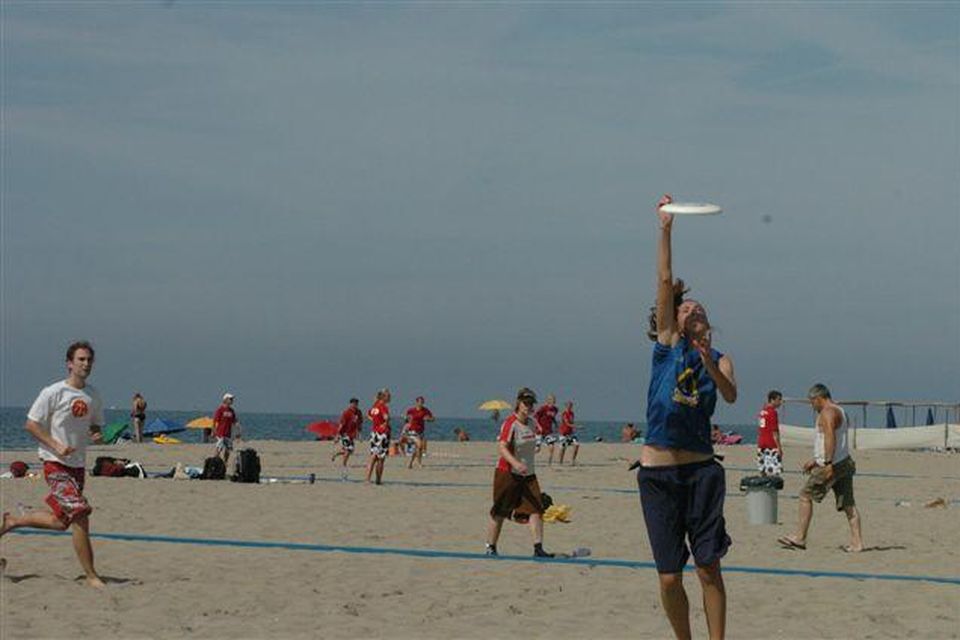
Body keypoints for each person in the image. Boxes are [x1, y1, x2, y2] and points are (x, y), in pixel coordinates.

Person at [635, 194, 738, 640]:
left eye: (698, 308)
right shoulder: (667, 345)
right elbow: (663, 277)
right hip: (657, 474)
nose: (693, 308)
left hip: (701, 472)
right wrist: (665, 228)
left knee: (708, 568)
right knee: (669, 578)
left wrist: (707, 359)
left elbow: (730, 394)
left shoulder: (720, 357)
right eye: (685, 307)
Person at [0, 340, 106, 588]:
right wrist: (55, 445)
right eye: (81, 359)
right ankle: (92, 576)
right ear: (69, 364)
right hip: (54, 463)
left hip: (77, 466)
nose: (86, 364)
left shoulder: (93, 395)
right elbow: (31, 424)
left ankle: (13, 521)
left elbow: (94, 424)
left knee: (61, 522)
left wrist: (95, 433)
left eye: (89, 360)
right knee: (80, 513)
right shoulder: (53, 392)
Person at [778, 384, 863, 552]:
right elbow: (838, 442)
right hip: (844, 462)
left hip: (832, 465)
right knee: (848, 504)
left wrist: (827, 464)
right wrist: (815, 460)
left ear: (819, 398)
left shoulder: (827, 412)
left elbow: (830, 437)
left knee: (805, 495)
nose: (812, 406)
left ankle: (800, 538)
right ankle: (857, 543)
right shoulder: (841, 411)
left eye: (812, 402)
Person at [485, 388, 554, 558]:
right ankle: (491, 546)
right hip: (507, 473)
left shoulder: (532, 423)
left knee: (536, 509)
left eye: (531, 404)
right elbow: (502, 447)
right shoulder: (510, 423)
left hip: (529, 474)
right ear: (518, 403)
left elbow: (534, 439)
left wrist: (536, 446)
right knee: (500, 511)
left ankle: (538, 548)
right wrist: (515, 462)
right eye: (525, 403)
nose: (528, 407)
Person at [365, 388, 391, 485]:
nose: (390, 398)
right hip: (382, 433)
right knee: (381, 458)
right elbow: (386, 417)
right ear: (384, 397)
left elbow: (369, 415)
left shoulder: (375, 406)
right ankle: (378, 480)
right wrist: (385, 423)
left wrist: (376, 422)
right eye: (388, 396)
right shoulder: (383, 406)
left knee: (373, 456)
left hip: (374, 432)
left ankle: (367, 479)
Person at [332, 398, 363, 478]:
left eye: (356, 404)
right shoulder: (346, 413)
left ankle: (337, 453)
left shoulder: (359, 413)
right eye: (353, 404)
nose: (354, 406)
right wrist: (337, 435)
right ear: (350, 404)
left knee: (350, 450)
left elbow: (359, 424)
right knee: (348, 450)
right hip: (345, 434)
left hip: (352, 434)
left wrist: (359, 434)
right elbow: (341, 424)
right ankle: (344, 465)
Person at [756, 390, 784, 476]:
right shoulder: (772, 412)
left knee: (763, 468)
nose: (780, 402)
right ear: (772, 400)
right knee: (774, 471)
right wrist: (779, 447)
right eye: (778, 400)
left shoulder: (762, 412)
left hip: (761, 443)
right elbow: (775, 431)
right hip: (770, 444)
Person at [404, 396, 435, 469]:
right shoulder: (411, 410)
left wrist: (428, 419)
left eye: (422, 402)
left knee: (418, 448)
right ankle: (419, 463)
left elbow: (433, 418)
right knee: (420, 445)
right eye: (420, 402)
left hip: (420, 431)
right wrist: (406, 422)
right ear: (417, 402)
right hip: (412, 431)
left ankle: (411, 463)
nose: (421, 403)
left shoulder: (425, 410)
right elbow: (406, 419)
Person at [212, 393, 241, 469]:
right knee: (219, 448)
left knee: (228, 449)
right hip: (220, 433)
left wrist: (238, 432)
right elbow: (215, 421)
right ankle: (215, 462)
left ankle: (225, 463)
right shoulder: (220, 409)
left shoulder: (231, 411)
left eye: (232, 399)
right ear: (225, 400)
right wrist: (214, 431)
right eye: (230, 399)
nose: (232, 400)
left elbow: (234, 421)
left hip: (228, 433)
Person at [533, 394, 559, 464]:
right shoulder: (543, 408)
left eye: (554, 401)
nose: (553, 402)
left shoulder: (555, 409)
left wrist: (556, 424)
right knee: (537, 449)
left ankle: (549, 463)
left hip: (548, 431)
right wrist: (539, 426)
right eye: (551, 401)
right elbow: (535, 417)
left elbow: (552, 417)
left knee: (552, 447)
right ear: (548, 401)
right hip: (539, 431)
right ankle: (528, 458)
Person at [557, 401, 580, 465]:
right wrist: (576, 426)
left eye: (571, 406)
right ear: (566, 406)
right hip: (563, 433)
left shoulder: (572, 413)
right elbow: (567, 423)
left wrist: (574, 428)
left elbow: (571, 423)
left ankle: (573, 460)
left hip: (570, 434)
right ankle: (560, 462)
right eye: (568, 406)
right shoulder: (564, 414)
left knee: (576, 445)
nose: (570, 407)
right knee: (563, 448)